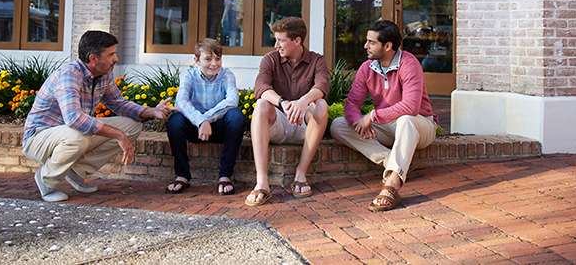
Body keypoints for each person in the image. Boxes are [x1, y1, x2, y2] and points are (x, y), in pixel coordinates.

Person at [22, 30, 171, 202]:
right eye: (111, 54)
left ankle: (76, 171)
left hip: (70, 134)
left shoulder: (103, 74)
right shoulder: (69, 75)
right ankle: (47, 179)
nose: (116, 59)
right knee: (78, 135)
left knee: (132, 125)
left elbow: (118, 103)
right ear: (93, 58)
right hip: (39, 137)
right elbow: (74, 119)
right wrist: (118, 135)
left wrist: (151, 111)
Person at [330, 20, 436, 212]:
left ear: (387, 46)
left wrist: (373, 116)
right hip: (387, 126)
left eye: (371, 42)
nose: (365, 46)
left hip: (420, 125)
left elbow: (411, 107)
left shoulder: (409, 64)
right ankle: (393, 162)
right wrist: (358, 121)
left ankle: (392, 186)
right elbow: (352, 103)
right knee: (338, 125)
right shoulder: (366, 68)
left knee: (405, 120)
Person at [245, 17, 329, 207]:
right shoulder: (270, 59)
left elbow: (322, 86)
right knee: (261, 105)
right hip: (278, 124)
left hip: (305, 126)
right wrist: (282, 103)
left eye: (281, 40)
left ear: (297, 41)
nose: (276, 45)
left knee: (322, 105)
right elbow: (261, 87)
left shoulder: (317, 60)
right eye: (276, 40)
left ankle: (300, 174)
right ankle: (262, 183)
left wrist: (303, 101)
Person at [165, 38, 244, 195]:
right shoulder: (189, 75)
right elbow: (181, 102)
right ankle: (182, 175)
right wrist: (200, 121)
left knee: (236, 117)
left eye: (218, 58)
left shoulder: (227, 75)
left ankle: (225, 176)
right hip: (194, 128)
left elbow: (232, 101)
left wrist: (206, 119)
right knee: (174, 121)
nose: (214, 64)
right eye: (208, 59)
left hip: (219, 128)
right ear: (196, 60)